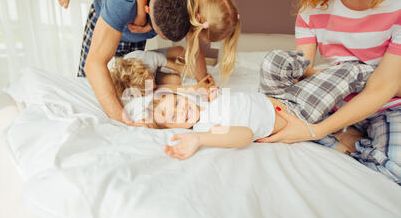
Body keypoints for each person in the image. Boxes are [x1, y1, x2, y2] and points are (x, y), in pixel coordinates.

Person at [259, 0, 401, 185]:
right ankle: (344, 136)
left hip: (389, 106)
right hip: (335, 101)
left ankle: (351, 143)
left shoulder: (397, 2)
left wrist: (316, 131)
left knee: (395, 171)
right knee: (278, 126)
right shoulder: (315, 4)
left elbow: (383, 87)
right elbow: (301, 72)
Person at [145, 49, 373, 160]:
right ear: (175, 129)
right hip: (296, 112)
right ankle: (376, 78)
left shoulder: (205, 104)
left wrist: (213, 95)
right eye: (171, 116)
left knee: (274, 60)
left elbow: (232, 102)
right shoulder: (206, 128)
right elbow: (244, 134)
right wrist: (199, 138)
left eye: (176, 102)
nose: (180, 109)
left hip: (272, 95)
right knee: (347, 72)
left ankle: (312, 74)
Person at [58, 0, 241, 82]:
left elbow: (194, 48)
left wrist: (203, 81)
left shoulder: (201, 1)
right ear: (200, 19)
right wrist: (140, 18)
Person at [77, 0, 209, 127]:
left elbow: (194, 43)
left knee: (133, 85)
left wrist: (203, 81)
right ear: (148, 12)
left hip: (139, 21)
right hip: (111, 17)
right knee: (89, 86)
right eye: (158, 33)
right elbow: (93, 64)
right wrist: (124, 121)